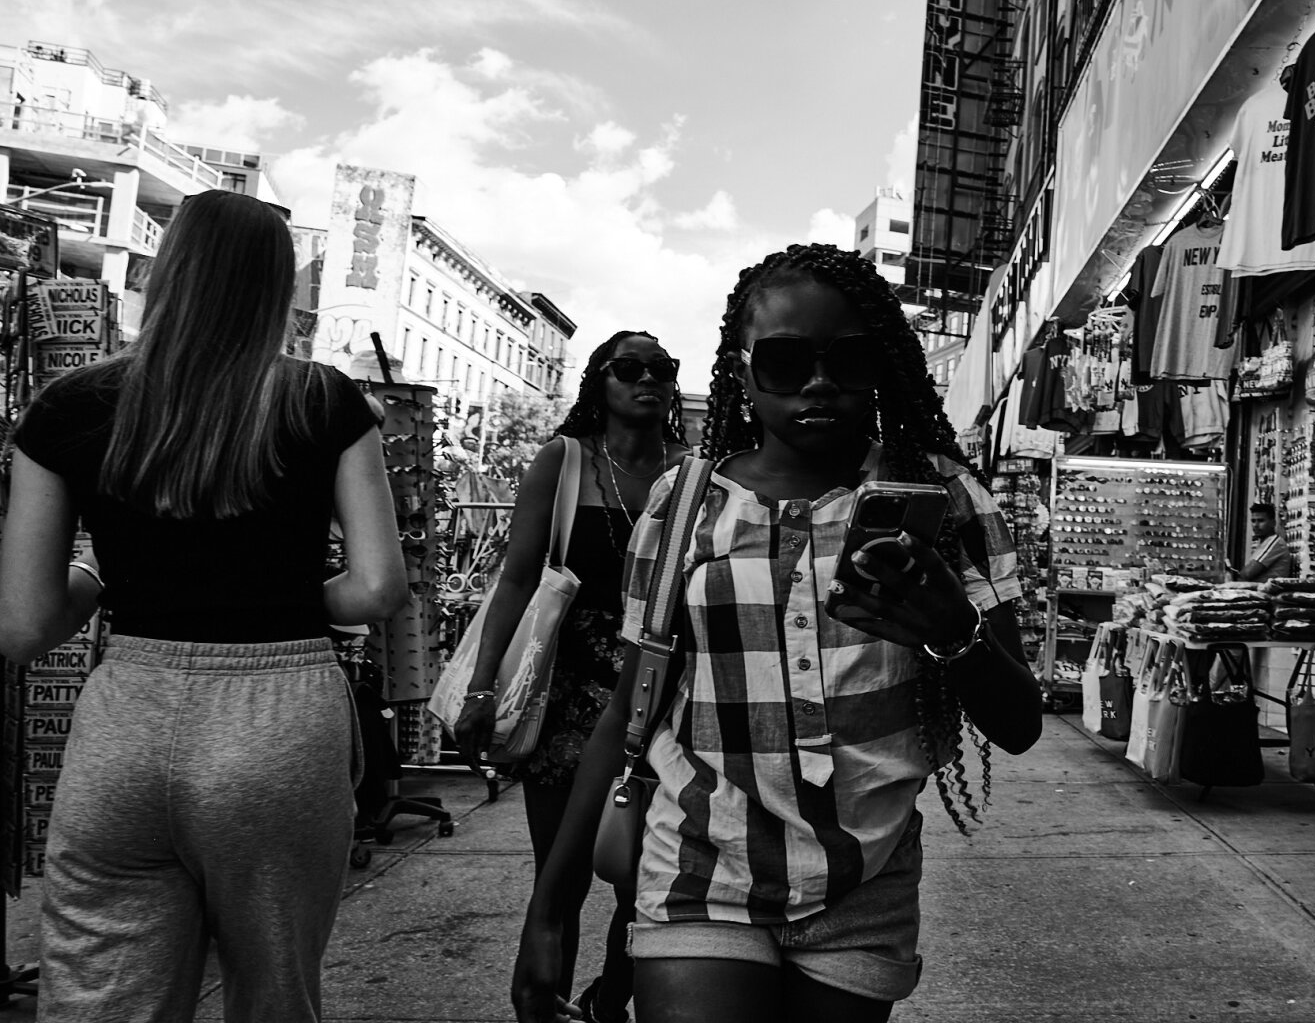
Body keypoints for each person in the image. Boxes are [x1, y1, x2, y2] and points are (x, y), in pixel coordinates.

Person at [510, 243, 1043, 1023]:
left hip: (866, 882)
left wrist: (951, 630)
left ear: (880, 367)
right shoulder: (685, 504)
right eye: (787, 362)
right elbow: (629, 708)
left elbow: (1020, 724)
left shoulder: (944, 497)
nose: (819, 383)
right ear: (743, 371)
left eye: (848, 359)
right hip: (700, 864)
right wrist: (549, 912)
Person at [0, 190, 407, 1022]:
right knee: (274, 995)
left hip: (129, 719)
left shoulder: (69, 408)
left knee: (102, 999)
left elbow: (23, 625)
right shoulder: (322, 400)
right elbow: (376, 587)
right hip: (281, 718)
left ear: (167, 270)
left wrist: (103, 579)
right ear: (277, 288)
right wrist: (276, 596)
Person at [454, 331, 689, 1023]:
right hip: (566, 691)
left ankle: (608, 1001)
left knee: (646, 877)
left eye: (661, 369)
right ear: (600, 381)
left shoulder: (694, 472)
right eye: (629, 368)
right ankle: (544, 1004)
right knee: (562, 870)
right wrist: (482, 687)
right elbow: (517, 579)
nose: (647, 379)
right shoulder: (564, 461)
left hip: (660, 693)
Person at [1228, 502, 1295, 582]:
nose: (1256, 525)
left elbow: (1247, 573)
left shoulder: (1275, 542)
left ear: (1273, 523)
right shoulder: (1262, 542)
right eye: (1253, 521)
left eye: (1261, 521)